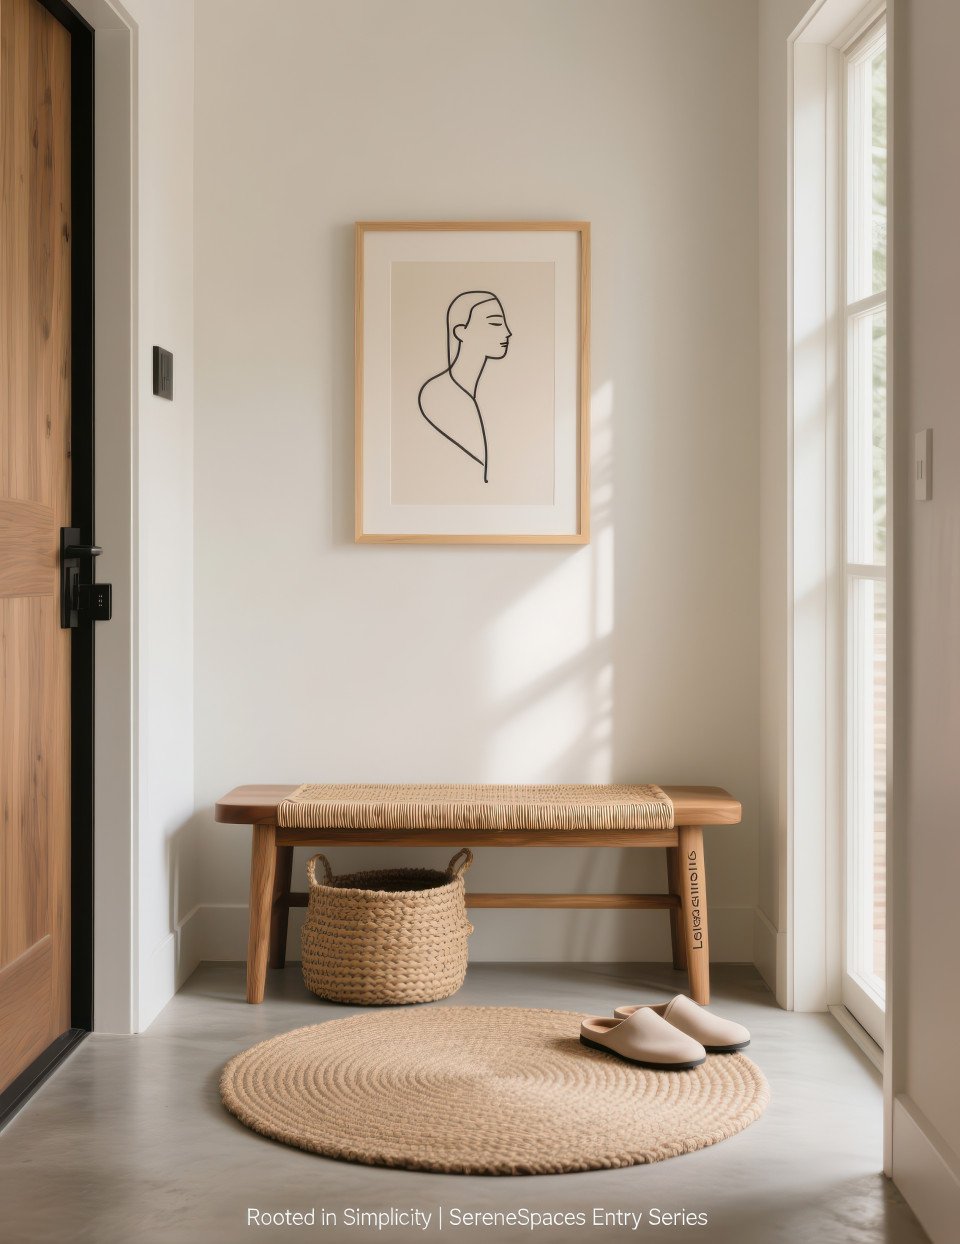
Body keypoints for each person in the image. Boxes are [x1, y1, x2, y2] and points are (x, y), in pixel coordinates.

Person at [417, 290, 511, 483]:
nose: (507, 332)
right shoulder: (435, 394)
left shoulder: (486, 397)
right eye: (494, 323)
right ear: (461, 332)